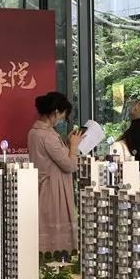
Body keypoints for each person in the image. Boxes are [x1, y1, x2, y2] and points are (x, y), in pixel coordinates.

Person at [27, 91, 81, 254]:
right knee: (57, 239)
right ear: (56, 112)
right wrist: (74, 146)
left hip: (43, 187)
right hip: (54, 190)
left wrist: (67, 143)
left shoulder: (34, 132)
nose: (63, 119)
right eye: (64, 115)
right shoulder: (48, 136)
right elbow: (69, 166)